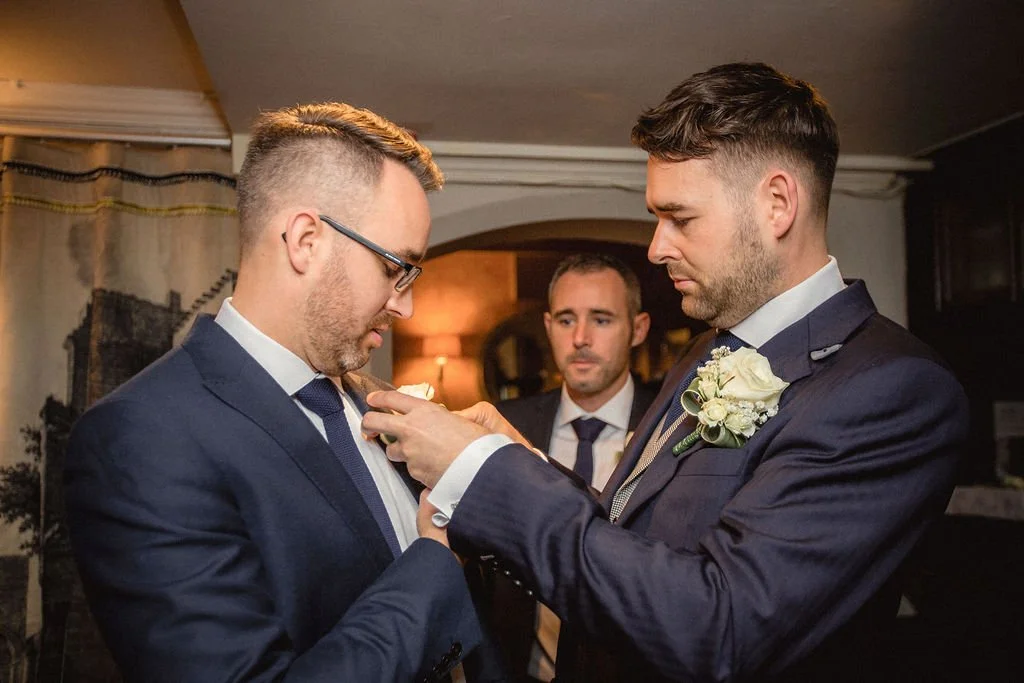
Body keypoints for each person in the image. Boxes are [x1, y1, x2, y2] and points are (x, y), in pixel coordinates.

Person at [364, 62, 969, 682]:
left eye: (680, 218)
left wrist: (482, 472)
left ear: (778, 203)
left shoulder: (891, 390)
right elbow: (629, 533)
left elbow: (719, 626)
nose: (656, 247)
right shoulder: (707, 349)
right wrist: (516, 455)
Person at [65, 103, 496, 682]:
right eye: (396, 267)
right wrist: (436, 563)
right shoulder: (139, 438)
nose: (405, 303)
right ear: (306, 241)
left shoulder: (378, 402)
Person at [487, 253, 656, 681]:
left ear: (638, 329)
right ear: (548, 327)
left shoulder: (671, 428)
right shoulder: (504, 426)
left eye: (601, 320)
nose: (580, 338)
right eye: (565, 320)